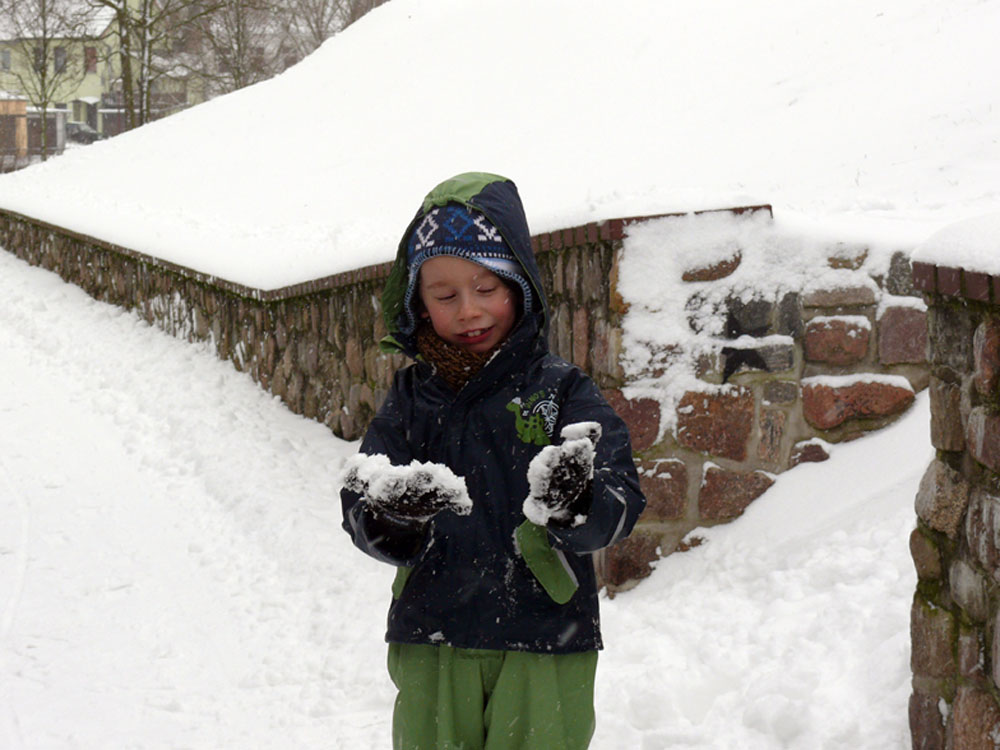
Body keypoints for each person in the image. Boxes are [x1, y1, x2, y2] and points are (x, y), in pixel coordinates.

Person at [340, 172, 646, 750]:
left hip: (545, 637)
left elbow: (620, 497)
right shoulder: (410, 400)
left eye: (488, 287)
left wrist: (577, 501)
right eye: (445, 295)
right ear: (418, 302)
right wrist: (389, 515)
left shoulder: (561, 389)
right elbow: (361, 494)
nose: (468, 310)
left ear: (520, 285)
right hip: (433, 635)